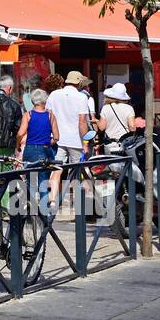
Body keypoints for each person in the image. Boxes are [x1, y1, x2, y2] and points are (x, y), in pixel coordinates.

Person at [46, 71, 91, 218]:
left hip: (57, 138)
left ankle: (52, 201)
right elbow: (82, 122)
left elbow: (49, 116)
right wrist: (85, 141)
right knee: (76, 172)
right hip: (75, 140)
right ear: (78, 82)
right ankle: (78, 203)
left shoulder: (53, 95)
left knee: (56, 169)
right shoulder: (81, 97)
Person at [15, 88, 59, 213]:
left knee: (30, 181)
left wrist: (18, 144)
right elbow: (56, 137)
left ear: (33, 101)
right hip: (45, 150)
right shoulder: (50, 115)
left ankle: (31, 209)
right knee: (43, 182)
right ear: (45, 100)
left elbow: (20, 133)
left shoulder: (28, 115)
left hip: (30, 150)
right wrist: (47, 142)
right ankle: (44, 213)